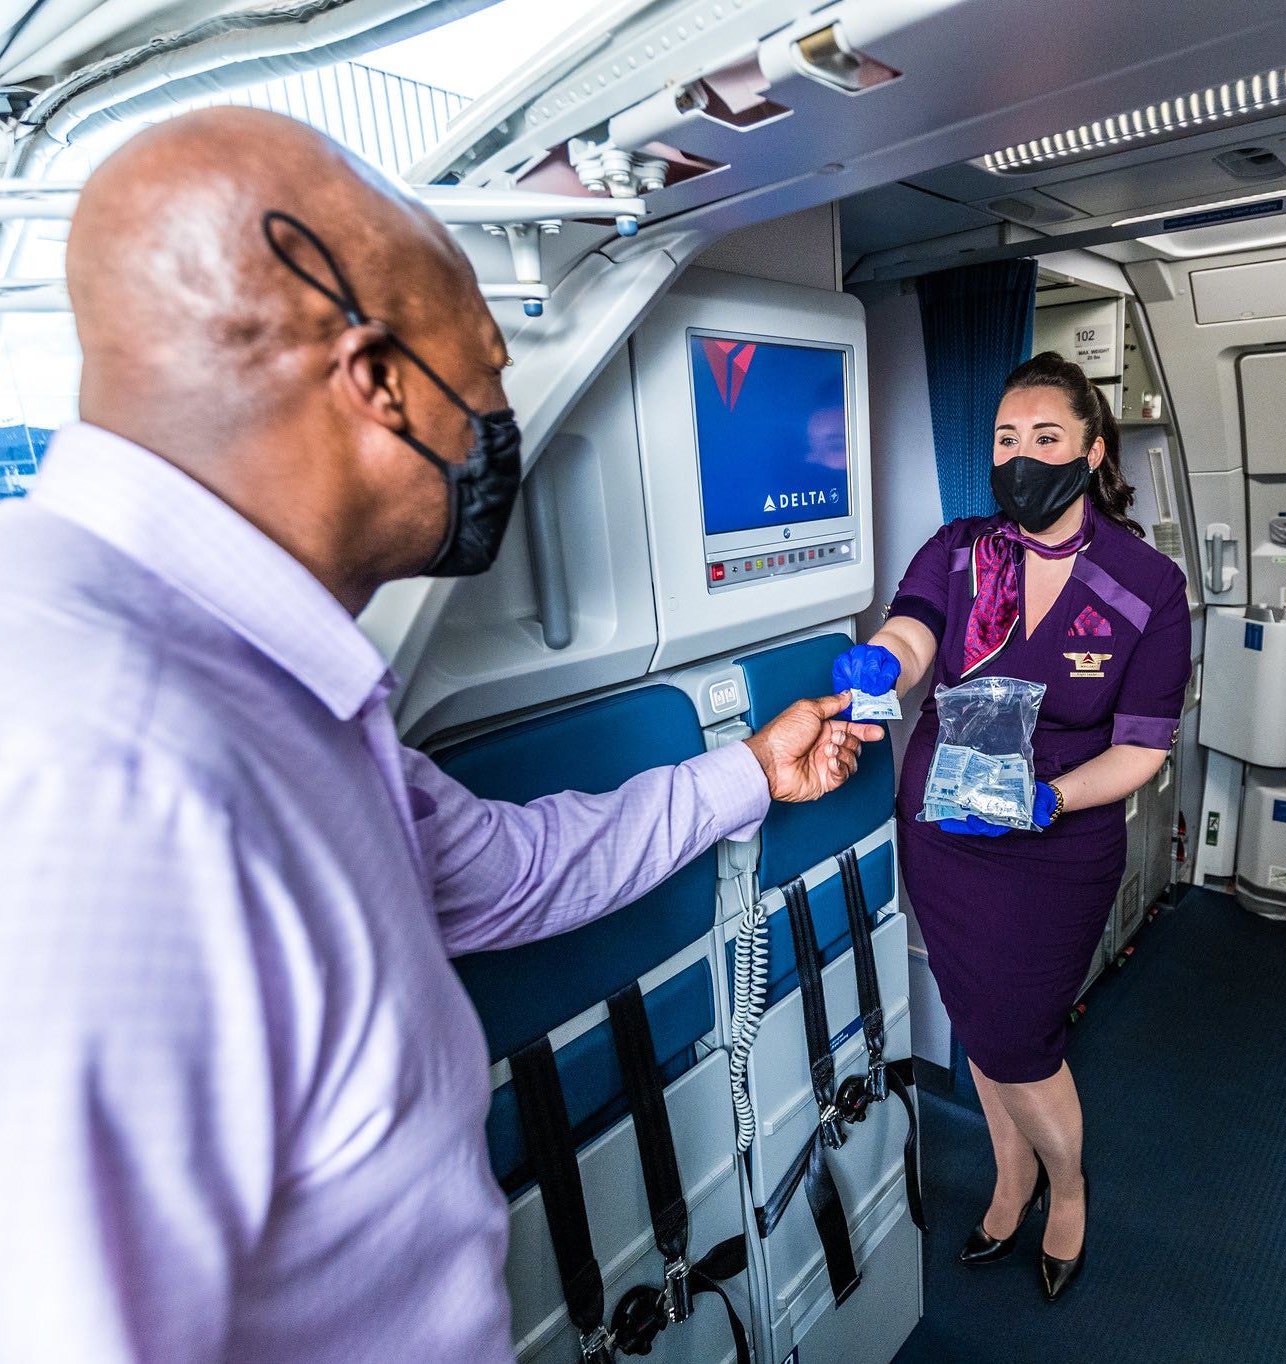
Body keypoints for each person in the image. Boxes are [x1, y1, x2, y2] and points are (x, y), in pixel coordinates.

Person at [0, 108, 883, 1362]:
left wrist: (749, 768)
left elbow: (504, 871)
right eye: (482, 375)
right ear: (377, 382)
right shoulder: (100, 772)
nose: (495, 430)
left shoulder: (255, 677)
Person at [833, 351, 1191, 1301]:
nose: (1020, 456)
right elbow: (913, 627)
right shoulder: (958, 550)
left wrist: (1051, 799)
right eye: (1005, 438)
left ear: (1090, 451)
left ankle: (1066, 1188)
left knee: (1021, 1037)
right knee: (978, 1025)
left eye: (1044, 437)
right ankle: (1011, 1174)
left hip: (1057, 848)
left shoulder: (1144, 584)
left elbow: (1141, 749)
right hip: (945, 831)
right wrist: (882, 663)